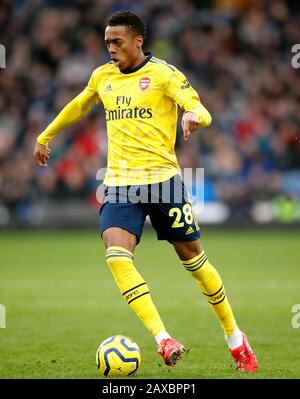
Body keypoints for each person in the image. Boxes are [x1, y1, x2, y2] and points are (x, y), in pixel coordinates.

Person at [34, 11, 258, 372]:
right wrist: (46, 135)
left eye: (117, 42)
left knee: (195, 263)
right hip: (120, 184)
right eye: (107, 42)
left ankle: (235, 338)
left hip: (163, 181)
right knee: (116, 255)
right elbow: (80, 104)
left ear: (138, 41)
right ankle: (162, 338)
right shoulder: (102, 76)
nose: (111, 48)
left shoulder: (164, 74)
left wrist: (193, 116)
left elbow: (200, 108)